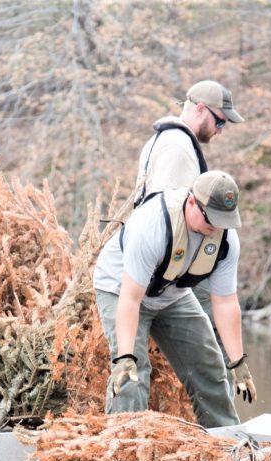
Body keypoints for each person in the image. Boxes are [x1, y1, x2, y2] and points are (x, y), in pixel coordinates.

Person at [93, 170, 257, 429]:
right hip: (120, 288)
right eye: (211, 217)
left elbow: (225, 302)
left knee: (209, 366)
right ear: (192, 202)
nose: (215, 225)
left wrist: (237, 361)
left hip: (171, 294)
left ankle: (226, 445)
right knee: (132, 375)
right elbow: (130, 299)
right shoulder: (152, 226)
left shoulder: (226, 238)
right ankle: (122, 453)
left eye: (223, 219)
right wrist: (124, 356)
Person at [134, 79, 244, 360]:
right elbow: (166, 215)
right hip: (175, 262)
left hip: (169, 265)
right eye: (219, 121)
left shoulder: (170, 138)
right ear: (200, 109)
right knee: (214, 345)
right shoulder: (179, 149)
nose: (221, 130)